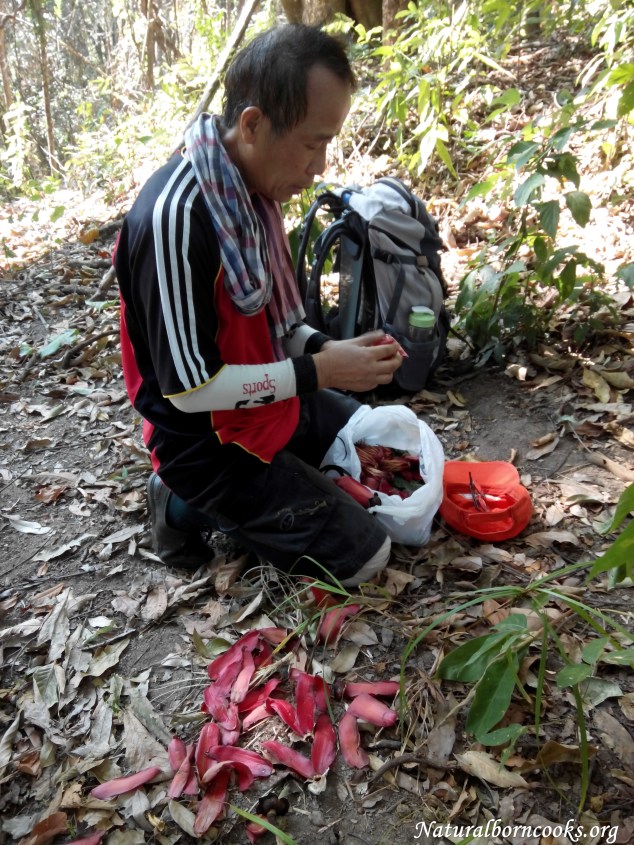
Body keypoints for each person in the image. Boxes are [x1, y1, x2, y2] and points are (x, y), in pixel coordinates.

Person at [114, 23, 403, 587]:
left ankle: (284, 477)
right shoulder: (177, 220)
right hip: (203, 442)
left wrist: (328, 349)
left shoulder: (254, 197)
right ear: (252, 125)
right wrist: (319, 371)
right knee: (368, 557)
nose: (319, 167)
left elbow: (278, 324)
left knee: (378, 438)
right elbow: (191, 391)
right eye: (313, 143)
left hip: (266, 398)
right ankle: (178, 502)